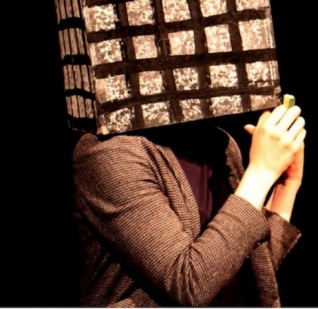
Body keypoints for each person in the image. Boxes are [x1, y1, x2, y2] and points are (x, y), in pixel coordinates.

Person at [72, 103, 306, 307]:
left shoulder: (219, 143)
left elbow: (239, 266)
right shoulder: (112, 155)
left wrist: (287, 184)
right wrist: (261, 172)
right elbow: (190, 285)